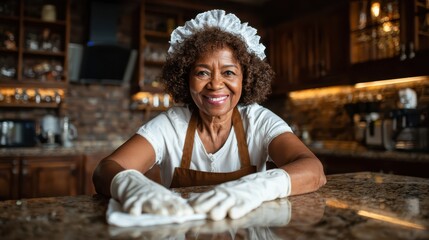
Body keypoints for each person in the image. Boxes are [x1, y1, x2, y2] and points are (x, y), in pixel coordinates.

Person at [93, 9, 326, 221]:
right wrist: (130, 185)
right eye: (202, 72)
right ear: (185, 78)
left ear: (246, 78)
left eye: (229, 72)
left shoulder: (258, 121)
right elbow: (106, 168)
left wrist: (258, 186)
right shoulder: (171, 125)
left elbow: (314, 170)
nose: (216, 84)